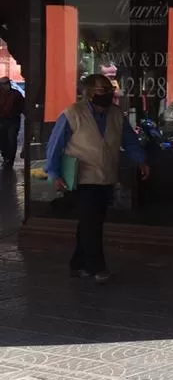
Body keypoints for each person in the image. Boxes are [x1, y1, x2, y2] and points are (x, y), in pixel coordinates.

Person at [47, 74, 149, 283]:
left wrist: (141, 160)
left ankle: (77, 264)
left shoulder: (116, 114)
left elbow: (129, 141)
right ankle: (97, 266)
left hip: (106, 176)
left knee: (90, 222)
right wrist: (54, 173)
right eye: (103, 90)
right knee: (91, 222)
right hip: (82, 177)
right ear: (89, 93)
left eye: (109, 89)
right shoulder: (72, 113)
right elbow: (55, 144)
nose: (108, 94)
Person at [0, 78, 25, 168]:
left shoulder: (16, 94)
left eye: (7, 83)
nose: (5, 85)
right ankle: (5, 156)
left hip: (13, 120)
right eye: (3, 84)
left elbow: (23, 106)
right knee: (2, 140)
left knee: (12, 140)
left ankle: (10, 160)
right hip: (2, 120)